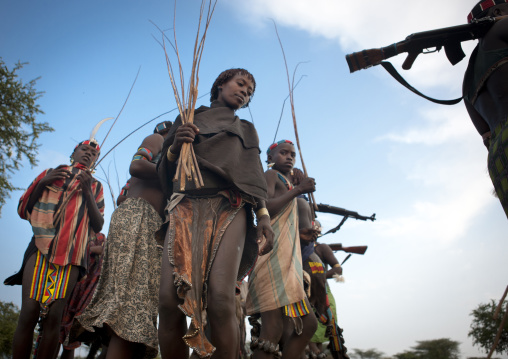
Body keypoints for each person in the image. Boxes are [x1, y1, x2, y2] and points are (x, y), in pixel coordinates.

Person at [157, 68, 274, 359]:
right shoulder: (189, 116)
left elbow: (253, 177)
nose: (245, 92)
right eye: (240, 83)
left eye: (250, 91)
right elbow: (165, 170)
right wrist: (175, 146)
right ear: (221, 84)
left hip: (229, 206)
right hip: (185, 205)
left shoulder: (246, 129)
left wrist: (264, 218)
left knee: (221, 299)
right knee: (168, 301)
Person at [77, 121, 173, 359]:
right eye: (173, 132)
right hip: (138, 218)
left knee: (136, 307)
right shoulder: (157, 142)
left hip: (152, 227)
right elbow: (137, 165)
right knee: (129, 303)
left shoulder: (175, 160)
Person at [12, 138, 105, 359]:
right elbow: (23, 209)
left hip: (72, 256)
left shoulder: (95, 186)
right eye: (84, 149)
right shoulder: (52, 173)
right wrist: (44, 182)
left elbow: (98, 224)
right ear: (73, 153)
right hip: (40, 248)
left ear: (96, 161)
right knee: (29, 312)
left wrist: (87, 191)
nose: (88, 153)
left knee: (55, 317)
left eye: (93, 153)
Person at [246, 140, 318, 359]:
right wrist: (298, 189)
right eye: (283, 153)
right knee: (272, 330)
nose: (289, 157)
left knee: (308, 325)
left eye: (293, 155)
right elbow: (264, 206)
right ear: (270, 158)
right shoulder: (271, 176)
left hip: (288, 262)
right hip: (270, 257)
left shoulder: (287, 182)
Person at [463, 1, 508, 218]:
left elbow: (486, 136)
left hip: (499, 156)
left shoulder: (467, 77)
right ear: (498, 12)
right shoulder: (501, 28)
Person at [57, 232, 106, 359]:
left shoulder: (99, 237)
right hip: (65, 286)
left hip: (82, 293)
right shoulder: (75, 232)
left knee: (70, 339)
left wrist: (89, 249)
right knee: (55, 332)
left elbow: (106, 251)